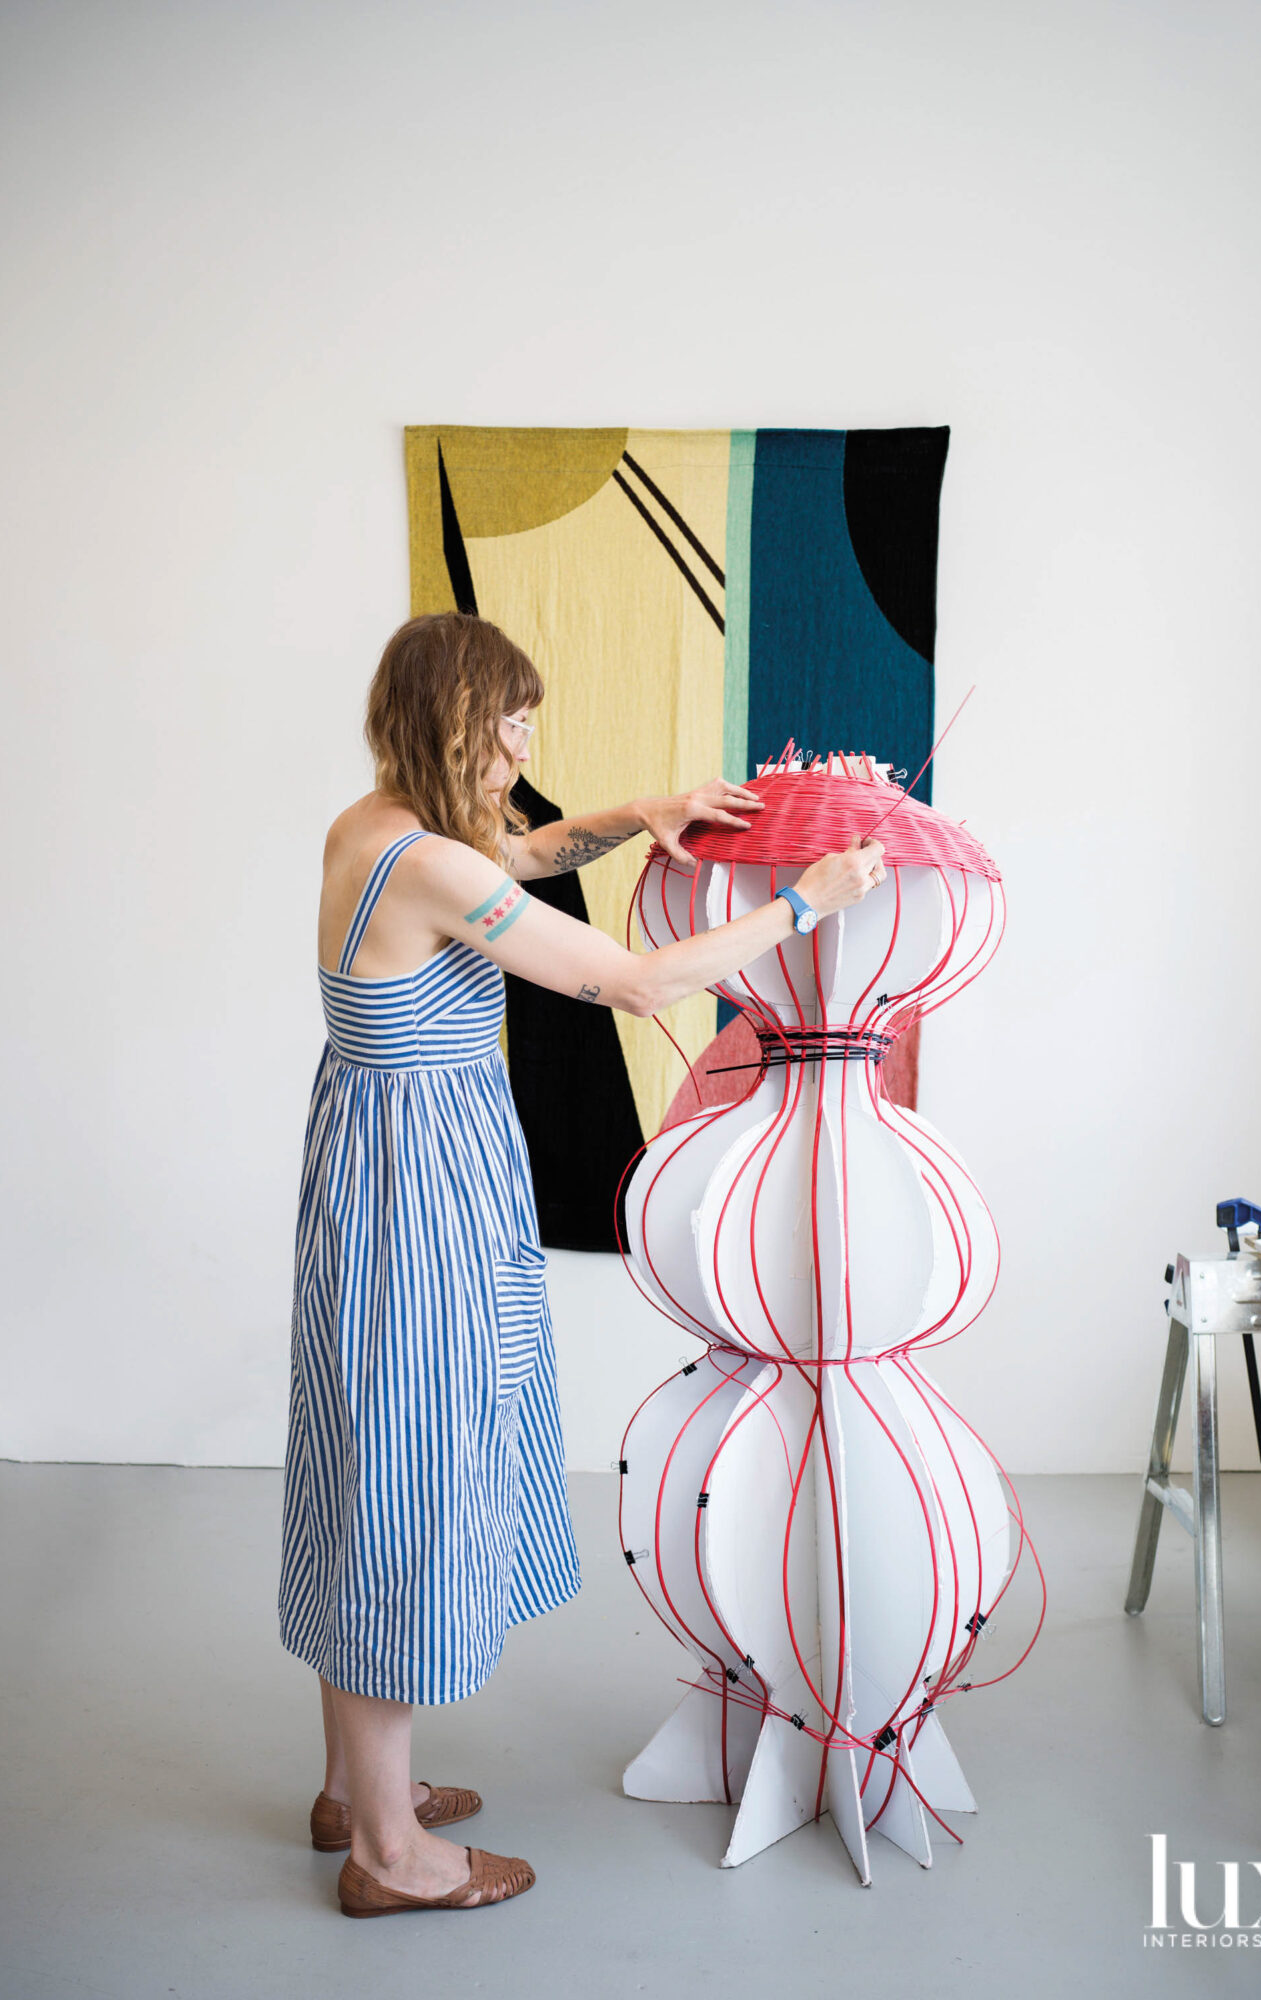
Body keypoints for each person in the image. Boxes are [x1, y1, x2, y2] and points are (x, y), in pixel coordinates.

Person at [279, 611, 885, 1918]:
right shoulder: (430, 862)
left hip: (380, 1169)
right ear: (459, 722)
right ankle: (390, 1856)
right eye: (511, 728)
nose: (521, 751)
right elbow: (632, 985)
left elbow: (527, 853)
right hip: (418, 1196)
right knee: (412, 1481)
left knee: (367, 1460)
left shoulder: (375, 824)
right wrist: (800, 905)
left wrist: (634, 812)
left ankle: (351, 1789)